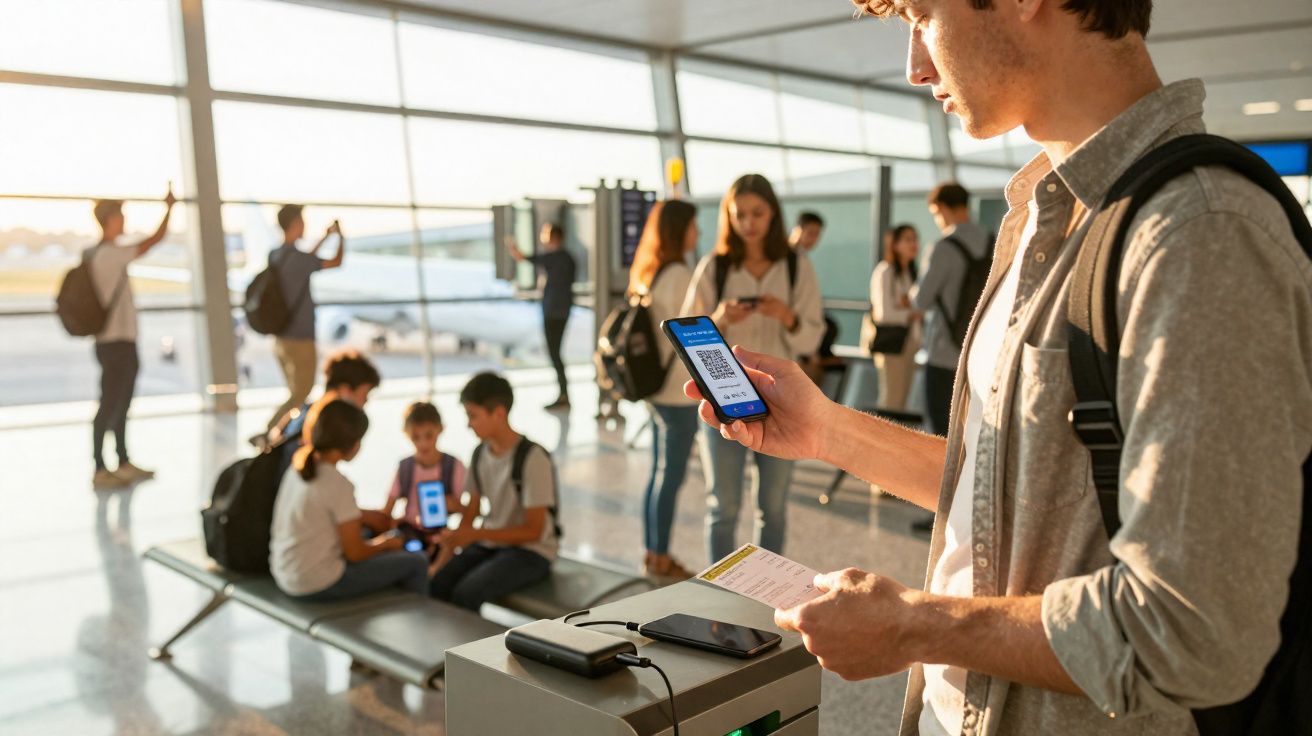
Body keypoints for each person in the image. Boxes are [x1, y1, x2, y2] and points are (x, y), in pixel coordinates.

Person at [687, 1, 1311, 734]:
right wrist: (826, 430)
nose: (915, 66)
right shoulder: (1042, 221)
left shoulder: (1197, 235)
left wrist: (915, 626)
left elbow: (1192, 633)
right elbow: (1008, 489)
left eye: (924, 15)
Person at [684, 174, 824, 562]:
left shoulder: (797, 267)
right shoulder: (715, 267)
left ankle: (767, 591)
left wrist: (787, 317)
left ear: (773, 214)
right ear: (728, 217)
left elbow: (811, 338)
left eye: (757, 213)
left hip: (780, 400)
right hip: (723, 398)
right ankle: (718, 594)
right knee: (722, 507)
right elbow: (688, 333)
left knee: (773, 507)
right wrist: (720, 319)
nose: (749, 223)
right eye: (739, 214)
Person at [270, 400, 427, 601]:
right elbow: (355, 553)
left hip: (286, 573)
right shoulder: (337, 483)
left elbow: (320, 511)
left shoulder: (298, 466)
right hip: (316, 583)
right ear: (352, 443)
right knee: (416, 562)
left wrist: (364, 517)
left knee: (368, 531)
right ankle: (419, 624)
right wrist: (386, 544)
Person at [429, 372, 557, 611]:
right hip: (492, 544)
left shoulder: (532, 458)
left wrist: (475, 535)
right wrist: (448, 548)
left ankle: (470, 648)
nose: (468, 424)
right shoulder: (479, 454)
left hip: (531, 552)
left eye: (473, 416)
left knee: (466, 593)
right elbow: (471, 512)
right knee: (439, 583)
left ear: (498, 413)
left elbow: (534, 531)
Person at [629, 200, 700, 580]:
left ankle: (652, 552)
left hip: (656, 390)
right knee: (670, 476)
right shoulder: (679, 274)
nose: (698, 233)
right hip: (676, 392)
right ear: (678, 230)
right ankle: (660, 555)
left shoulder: (651, 271)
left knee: (659, 473)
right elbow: (689, 330)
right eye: (693, 226)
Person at [86, 188, 176, 489]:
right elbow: (153, 241)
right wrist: (169, 210)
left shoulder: (96, 254)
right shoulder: (110, 254)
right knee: (111, 403)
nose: (124, 221)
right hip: (117, 342)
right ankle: (102, 466)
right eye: (121, 216)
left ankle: (120, 461)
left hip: (111, 342)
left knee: (118, 403)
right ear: (110, 220)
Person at [910, 182, 990, 437]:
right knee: (973, 432)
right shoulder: (994, 242)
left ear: (943, 208)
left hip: (944, 352)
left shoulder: (943, 247)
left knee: (940, 434)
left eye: (935, 213)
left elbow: (921, 300)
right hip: (982, 353)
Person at [266, 204, 345, 432]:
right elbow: (335, 261)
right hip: (300, 338)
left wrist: (323, 238)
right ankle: (271, 432)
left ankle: (282, 433)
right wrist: (340, 237)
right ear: (295, 224)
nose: (304, 224)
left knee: (294, 393)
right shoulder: (299, 260)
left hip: (280, 338)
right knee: (301, 393)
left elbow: (305, 260)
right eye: (302, 220)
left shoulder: (276, 255)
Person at [509, 223, 576, 411]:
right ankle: (563, 393)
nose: (542, 238)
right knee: (556, 353)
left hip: (553, 311)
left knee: (554, 353)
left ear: (554, 237)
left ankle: (563, 395)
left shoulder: (554, 258)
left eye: (545, 234)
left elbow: (522, 257)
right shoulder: (568, 258)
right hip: (562, 310)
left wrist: (511, 246)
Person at [381, 401, 472, 540]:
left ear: (440, 429)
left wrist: (450, 504)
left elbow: (469, 510)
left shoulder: (454, 465)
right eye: (415, 437)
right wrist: (393, 523)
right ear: (406, 434)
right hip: (408, 531)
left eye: (429, 435)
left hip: (440, 534)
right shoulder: (405, 467)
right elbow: (387, 510)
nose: (422, 443)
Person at [862, 224, 921, 410]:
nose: (913, 244)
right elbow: (884, 313)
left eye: (914, 239)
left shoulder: (909, 272)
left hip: (909, 343)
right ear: (894, 244)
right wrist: (911, 313)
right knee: (891, 400)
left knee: (901, 401)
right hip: (892, 344)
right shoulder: (885, 271)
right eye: (907, 239)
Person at [790, 211, 843, 383]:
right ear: (798, 229)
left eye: (817, 235)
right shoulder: (789, 261)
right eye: (810, 233)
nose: (813, 239)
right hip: (794, 342)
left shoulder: (801, 259)